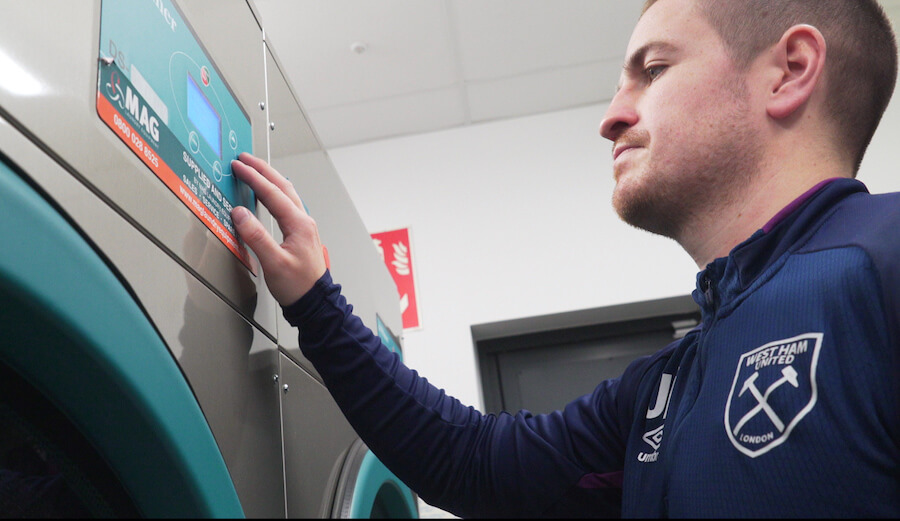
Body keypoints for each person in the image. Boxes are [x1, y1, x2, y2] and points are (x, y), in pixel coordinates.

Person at [229, 0, 900, 516]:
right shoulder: (667, 389)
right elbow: (476, 461)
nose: (610, 116)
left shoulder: (883, 260)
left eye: (654, 70)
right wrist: (316, 301)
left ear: (790, 71)